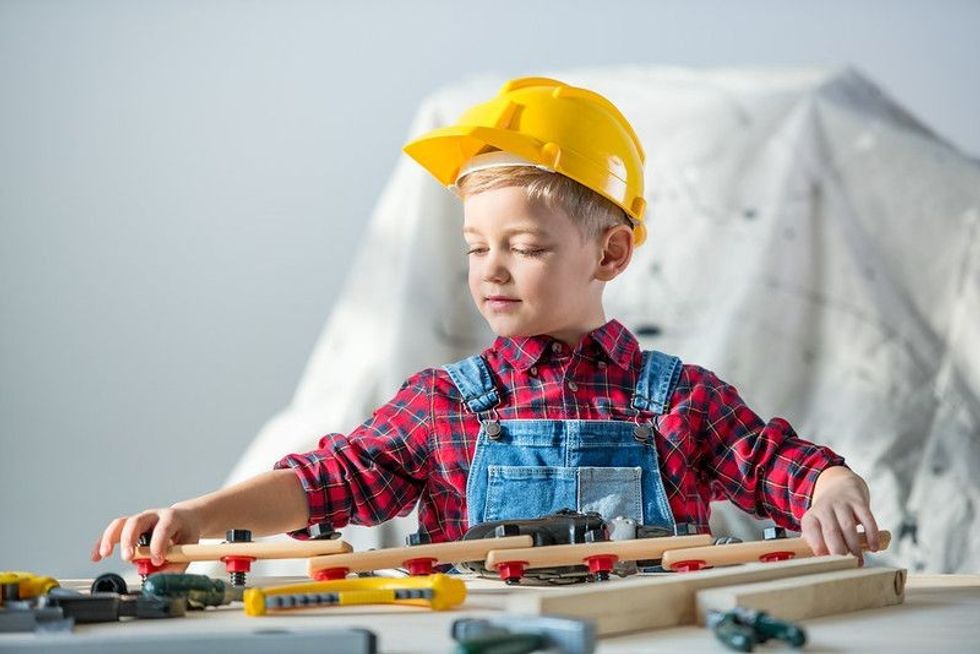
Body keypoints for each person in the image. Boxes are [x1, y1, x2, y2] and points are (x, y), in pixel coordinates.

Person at [92, 77, 879, 572]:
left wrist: (831, 484)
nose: (491, 269)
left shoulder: (682, 403)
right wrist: (199, 515)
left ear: (610, 254)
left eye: (525, 247)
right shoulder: (441, 406)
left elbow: (780, 465)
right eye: (475, 247)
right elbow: (323, 481)